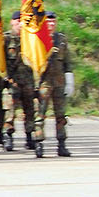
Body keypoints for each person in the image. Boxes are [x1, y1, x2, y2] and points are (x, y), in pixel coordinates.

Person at [34, 12, 73, 157]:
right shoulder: (37, 39)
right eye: (48, 22)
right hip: (43, 83)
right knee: (40, 114)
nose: (51, 24)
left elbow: (67, 61)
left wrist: (69, 79)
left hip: (59, 83)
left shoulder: (61, 39)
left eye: (53, 22)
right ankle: (39, 143)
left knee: (61, 115)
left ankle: (62, 144)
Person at [2, 11, 37, 151]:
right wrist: (5, 78)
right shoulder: (6, 39)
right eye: (17, 20)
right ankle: (8, 136)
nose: (20, 23)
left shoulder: (30, 38)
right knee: (9, 111)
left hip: (28, 80)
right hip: (12, 81)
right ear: (12, 22)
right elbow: (0, 60)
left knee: (30, 110)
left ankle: (30, 136)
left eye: (22, 20)